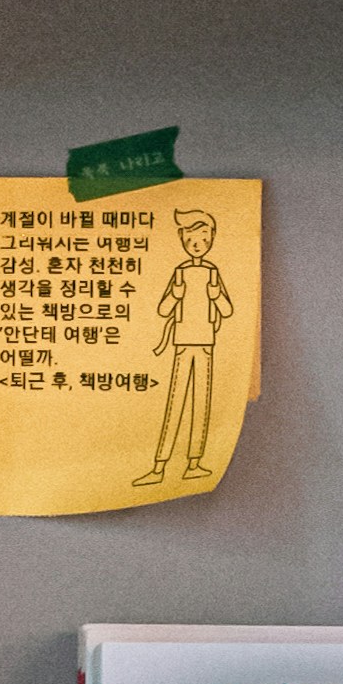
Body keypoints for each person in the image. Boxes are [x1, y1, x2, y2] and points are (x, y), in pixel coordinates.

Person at [144, 201, 238, 492]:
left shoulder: (212, 272)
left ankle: (194, 462)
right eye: (192, 241)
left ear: (211, 240)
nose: (197, 246)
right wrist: (176, 293)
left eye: (203, 241)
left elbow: (227, 310)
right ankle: (159, 465)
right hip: (183, 342)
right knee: (176, 402)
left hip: (206, 342)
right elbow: (163, 309)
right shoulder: (180, 272)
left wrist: (215, 294)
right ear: (183, 240)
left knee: (201, 403)